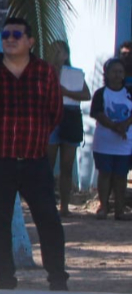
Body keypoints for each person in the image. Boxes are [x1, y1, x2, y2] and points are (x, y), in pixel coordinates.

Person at [0, 18, 67, 290]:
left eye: (17, 34)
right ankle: (5, 279)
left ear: (30, 42)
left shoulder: (45, 73)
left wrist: (36, 136)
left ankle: (57, 279)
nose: (9, 38)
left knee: (49, 221)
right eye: (6, 34)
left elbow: (55, 113)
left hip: (35, 161)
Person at [46, 40, 91, 216]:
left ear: (66, 54)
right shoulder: (44, 71)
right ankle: (47, 203)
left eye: (60, 52)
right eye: (54, 51)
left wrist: (66, 92)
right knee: (48, 163)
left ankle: (64, 205)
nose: (57, 55)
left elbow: (86, 94)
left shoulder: (74, 74)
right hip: (50, 114)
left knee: (67, 165)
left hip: (70, 114)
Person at [91, 57, 132, 221]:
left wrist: (125, 124)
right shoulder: (100, 93)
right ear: (106, 73)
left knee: (121, 175)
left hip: (124, 142)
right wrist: (116, 127)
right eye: (114, 71)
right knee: (105, 173)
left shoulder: (129, 92)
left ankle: (119, 210)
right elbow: (98, 114)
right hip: (104, 141)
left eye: (120, 72)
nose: (117, 75)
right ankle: (103, 207)